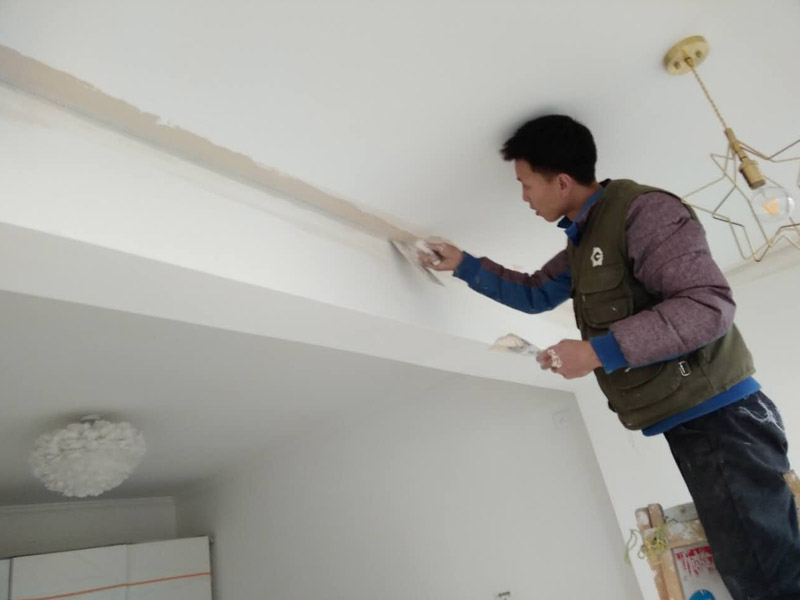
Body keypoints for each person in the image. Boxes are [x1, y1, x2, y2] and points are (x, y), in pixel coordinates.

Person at [419, 114, 800, 599]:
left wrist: (598, 351)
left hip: (722, 416)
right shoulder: (583, 241)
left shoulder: (645, 212)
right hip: (695, 421)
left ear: (561, 182)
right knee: (750, 566)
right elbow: (536, 292)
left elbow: (707, 307)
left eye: (526, 184)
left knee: (765, 574)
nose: (524, 198)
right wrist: (464, 265)